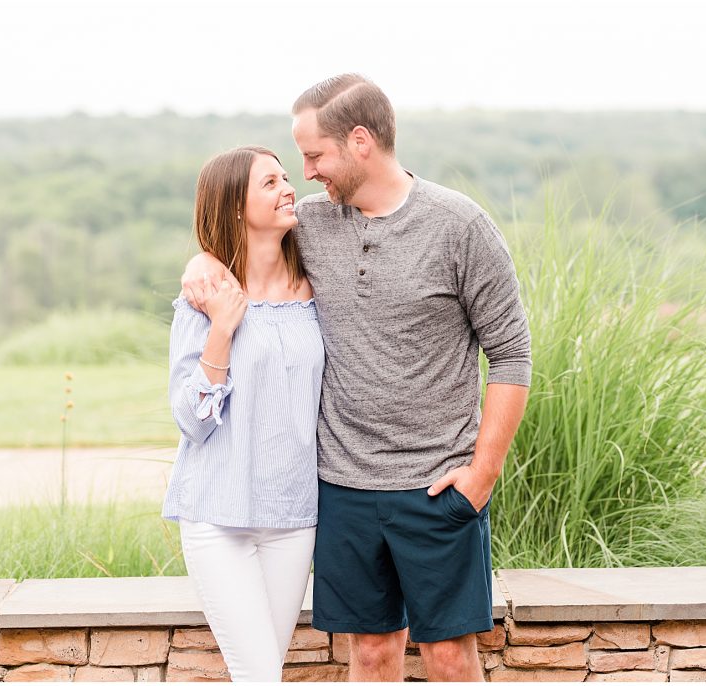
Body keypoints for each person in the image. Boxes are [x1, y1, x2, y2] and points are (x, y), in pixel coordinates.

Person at [181, 74, 532, 682]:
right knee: (369, 652)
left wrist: (482, 474)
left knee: (450, 658)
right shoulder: (310, 227)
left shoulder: (460, 226)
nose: (307, 172)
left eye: (314, 155)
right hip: (341, 491)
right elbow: (240, 243)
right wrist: (202, 261)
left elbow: (511, 355)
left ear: (360, 142)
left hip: (436, 487)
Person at [164, 145, 322, 682]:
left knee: (262, 674)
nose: (288, 188)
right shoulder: (204, 298)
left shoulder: (315, 289)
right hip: (218, 514)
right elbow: (192, 420)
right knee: (260, 675)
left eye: (285, 178)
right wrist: (223, 330)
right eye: (269, 183)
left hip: (293, 516)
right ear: (235, 206)